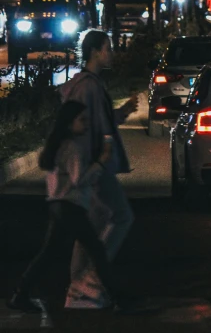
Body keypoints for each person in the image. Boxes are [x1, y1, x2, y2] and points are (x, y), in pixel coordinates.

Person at [7, 101, 127, 313]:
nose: (86, 124)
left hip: (58, 205)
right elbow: (80, 179)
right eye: (82, 120)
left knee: (49, 253)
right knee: (97, 251)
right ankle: (118, 299)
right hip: (70, 206)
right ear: (69, 123)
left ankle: (20, 294)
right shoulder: (72, 146)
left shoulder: (57, 144)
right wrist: (101, 161)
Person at [60, 29, 138, 309]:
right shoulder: (89, 86)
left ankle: (77, 291)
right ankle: (89, 283)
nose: (111, 53)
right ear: (95, 51)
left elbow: (96, 120)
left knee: (89, 229)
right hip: (95, 166)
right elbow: (90, 126)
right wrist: (100, 156)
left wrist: (122, 112)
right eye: (108, 48)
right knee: (122, 217)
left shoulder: (85, 83)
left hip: (88, 166)